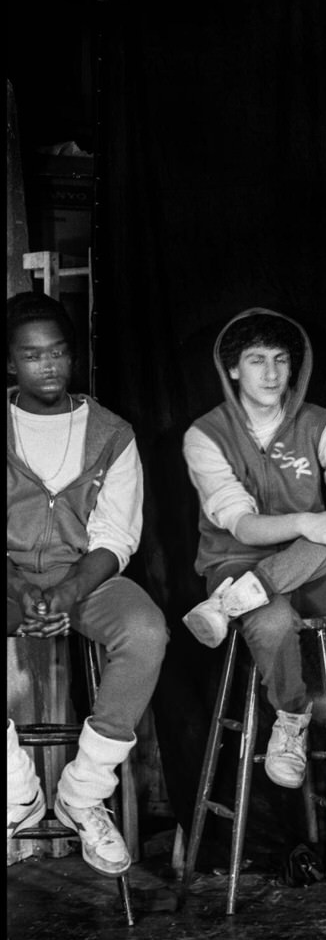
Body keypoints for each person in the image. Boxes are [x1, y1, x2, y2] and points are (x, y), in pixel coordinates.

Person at [180, 308, 326, 788]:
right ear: (233, 368)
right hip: (233, 564)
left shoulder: (317, 422)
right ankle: (292, 721)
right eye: (257, 360)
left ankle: (237, 601)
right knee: (274, 617)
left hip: (313, 576)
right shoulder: (205, 435)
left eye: (280, 360)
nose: (273, 373)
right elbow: (240, 526)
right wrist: (307, 523)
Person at [6, 291, 168, 875]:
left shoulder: (111, 432)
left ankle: (84, 793)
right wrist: (23, 591)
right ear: (11, 362)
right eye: (32, 355)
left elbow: (116, 535)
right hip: (9, 577)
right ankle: (15, 790)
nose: (47, 365)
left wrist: (69, 591)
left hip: (87, 579)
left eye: (58, 353)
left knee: (146, 631)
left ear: (73, 357)